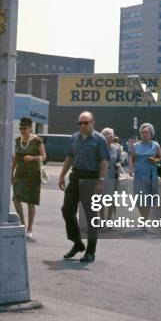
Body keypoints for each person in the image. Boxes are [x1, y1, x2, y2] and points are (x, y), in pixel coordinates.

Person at [58, 112, 110, 263]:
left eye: (85, 123)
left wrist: (101, 181)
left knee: (90, 216)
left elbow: (104, 161)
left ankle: (90, 251)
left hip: (91, 178)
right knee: (66, 210)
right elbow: (69, 157)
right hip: (75, 176)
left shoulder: (99, 139)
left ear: (93, 123)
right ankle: (77, 243)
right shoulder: (74, 138)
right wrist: (62, 176)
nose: (82, 126)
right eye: (80, 123)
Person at [11, 117, 46, 241]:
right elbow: (15, 158)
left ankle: (30, 228)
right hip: (20, 174)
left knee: (31, 202)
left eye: (24, 128)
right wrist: (12, 173)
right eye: (20, 128)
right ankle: (22, 224)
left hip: (33, 175)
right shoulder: (17, 140)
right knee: (16, 199)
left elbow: (44, 156)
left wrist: (32, 157)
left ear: (30, 128)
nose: (22, 130)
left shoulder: (37, 140)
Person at [129, 123, 161, 224]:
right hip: (139, 174)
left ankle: (144, 219)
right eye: (142, 132)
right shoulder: (136, 145)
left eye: (146, 132)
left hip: (151, 175)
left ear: (151, 134)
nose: (144, 134)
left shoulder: (155, 145)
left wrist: (155, 160)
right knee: (139, 198)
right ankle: (143, 217)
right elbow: (131, 157)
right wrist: (130, 168)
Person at [100, 127, 122, 219]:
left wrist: (118, 164)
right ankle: (102, 218)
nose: (112, 138)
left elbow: (119, 160)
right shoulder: (98, 148)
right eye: (109, 136)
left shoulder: (117, 149)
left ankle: (109, 219)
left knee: (111, 200)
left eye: (113, 136)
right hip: (100, 177)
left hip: (112, 177)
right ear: (103, 137)